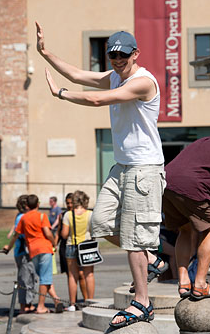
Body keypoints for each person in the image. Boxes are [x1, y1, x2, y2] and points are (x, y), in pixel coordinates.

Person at [36, 22, 167, 328]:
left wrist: (62, 94)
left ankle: (142, 303)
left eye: (123, 55)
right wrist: (45, 52)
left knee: (135, 240)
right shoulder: (113, 76)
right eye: (112, 56)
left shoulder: (142, 82)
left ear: (135, 54)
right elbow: (79, 74)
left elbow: (96, 100)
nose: (118, 61)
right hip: (121, 168)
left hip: (144, 169)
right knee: (99, 222)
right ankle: (154, 260)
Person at [162, 131, 210, 300]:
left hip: (167, 181)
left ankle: (184, 282)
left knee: (185, 229)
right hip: (191, 184)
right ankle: (201, 284)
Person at [3, 194, 63, 314]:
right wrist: (54, 243)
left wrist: (8, 247)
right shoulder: (42, 216)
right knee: (45, 278)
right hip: (44, 248)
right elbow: (47, 232)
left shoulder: (24, 218)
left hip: (33, 251)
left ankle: (56, 299)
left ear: (27, 205)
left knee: (43, 277)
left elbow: (16, 234)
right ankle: (41, 306)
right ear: (38, 204)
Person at [61, 190, 94, 311]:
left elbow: (64, 235)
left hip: (71, 245)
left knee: (72, 275)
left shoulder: (68, 215)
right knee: (89, 274)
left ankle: (72, 304)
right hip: (86, 246)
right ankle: (91, 302)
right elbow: (94, 231)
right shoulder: (90, 214)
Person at [55, 193, 88, 302]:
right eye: (67, 203)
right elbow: (59, 232)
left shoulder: (78, 214)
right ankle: (73, 300)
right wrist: (54, 245)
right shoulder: (63, 215)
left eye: (71, 203)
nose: (69, 205)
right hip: (65, 246)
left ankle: (86, 299)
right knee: (71, 275)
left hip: (79, 245)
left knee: (81, 274)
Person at [7, 195, 36, 314]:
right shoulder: (22, 217)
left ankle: (28, 304)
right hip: (23, 252)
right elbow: (21, 234)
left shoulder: (22, 216)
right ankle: (23, 306)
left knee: (30, 277)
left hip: (27, 251)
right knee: (24, 278)